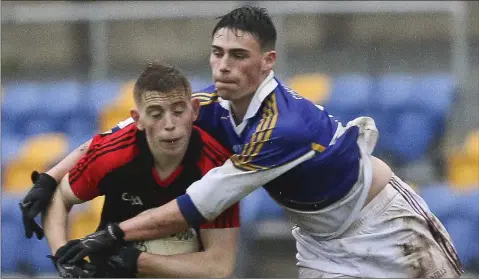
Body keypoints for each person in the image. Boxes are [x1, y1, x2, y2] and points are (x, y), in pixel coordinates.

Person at [22, 5, 462, 278]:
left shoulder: (283, 126)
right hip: (320, 240)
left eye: (237, 56)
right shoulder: (210, 107)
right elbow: (120, 131)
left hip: (383, 224)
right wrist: (49, 179)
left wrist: (113, 234)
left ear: (267, 62)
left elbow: (199, 204)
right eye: (217, 53)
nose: (222, 66)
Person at [41, 62, 239, 278]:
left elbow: (219, 267)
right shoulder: (112, 155)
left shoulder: (217, 168)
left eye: (178, 111)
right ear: (137, 119)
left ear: (194, 110)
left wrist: (140, 262)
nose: (169, 124)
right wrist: (61, 253)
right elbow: (59, 196)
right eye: (156, 114)